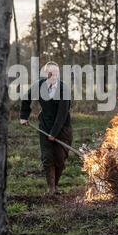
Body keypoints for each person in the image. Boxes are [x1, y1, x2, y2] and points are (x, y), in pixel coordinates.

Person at [20, 61, 72, 195]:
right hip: (44, 126)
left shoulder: (64, 89)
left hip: (62, 128)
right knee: (47, 158)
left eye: (56, 73)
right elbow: (26, 99)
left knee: (60, 159)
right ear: (45, 74)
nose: (53, 76)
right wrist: (24, 116)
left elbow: (62, 114)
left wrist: (54, 133)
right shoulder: (39, 85)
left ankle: (55, 185)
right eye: (50, 73)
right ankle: (52, 189)